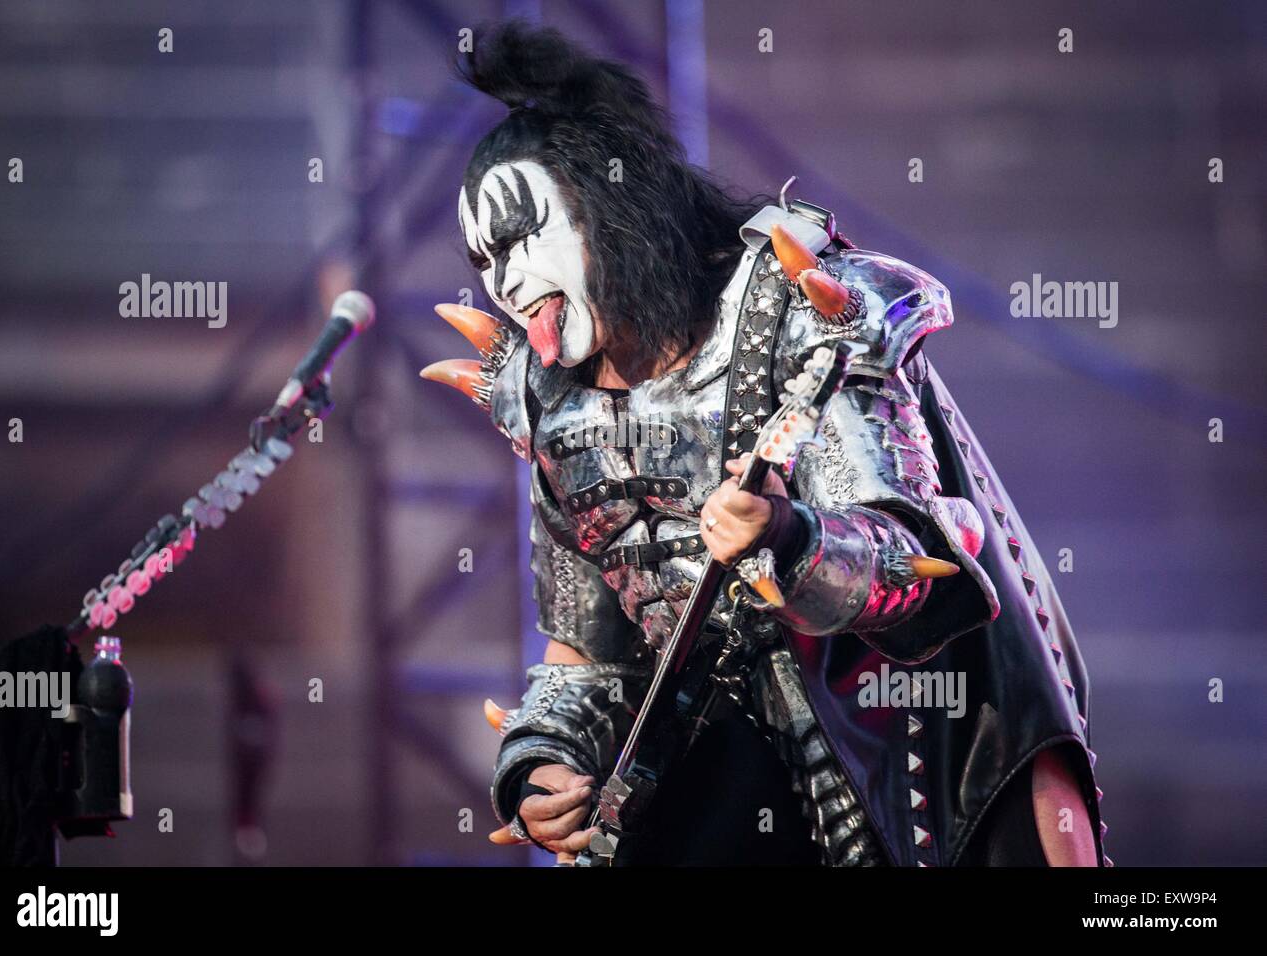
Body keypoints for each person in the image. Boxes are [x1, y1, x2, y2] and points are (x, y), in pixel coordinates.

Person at [422, 21, 1105, 867]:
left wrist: (790, 538)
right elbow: (592, 652)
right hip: (709, 795)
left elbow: (913, 563)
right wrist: (543, 767)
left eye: (524, 237)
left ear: (605, 203)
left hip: (889, 764)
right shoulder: (555, 409)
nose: (505, 281)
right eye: (487, 259)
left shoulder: (793, 311)